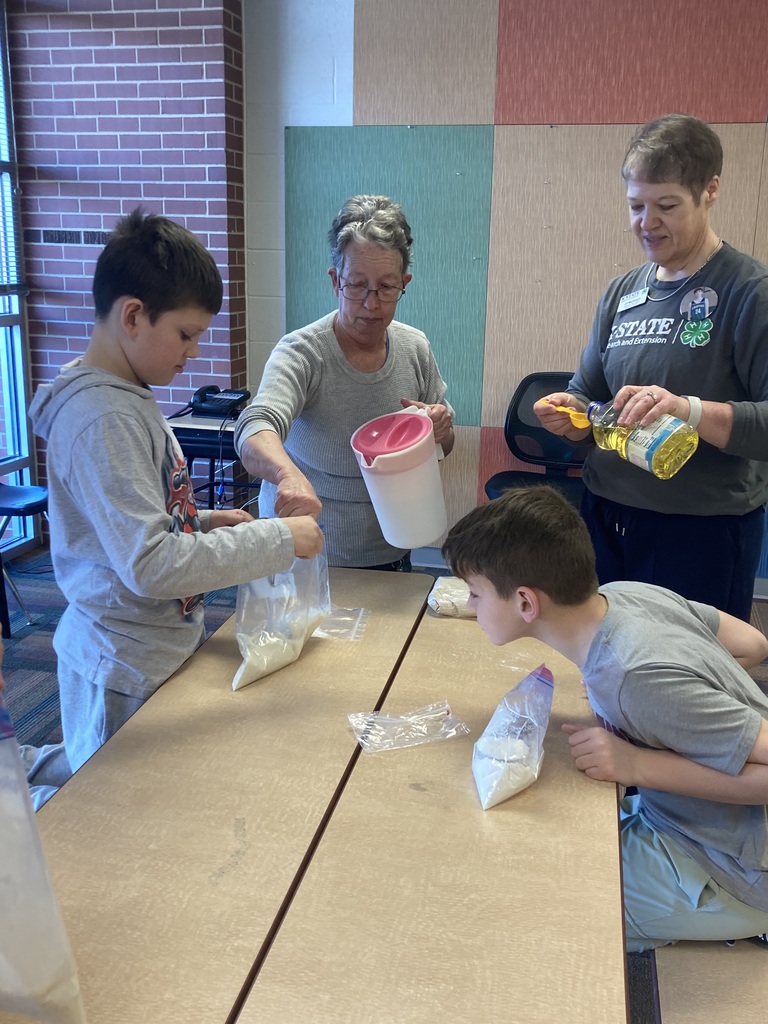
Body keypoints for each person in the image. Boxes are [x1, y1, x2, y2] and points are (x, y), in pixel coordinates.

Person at [22, 209, 324, 808]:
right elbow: (150, 564)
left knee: (105, 772)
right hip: (121, 661)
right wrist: (279, 541)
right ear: (133, 316)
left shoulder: (126, 397)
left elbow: (134, 521)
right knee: (104, 810)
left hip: (146, 646)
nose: (192, 352)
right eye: (186, 334)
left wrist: (202, 521)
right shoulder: (104, 417)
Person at [442, 485, 768, 952]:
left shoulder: (633, 674)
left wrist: (638, 760)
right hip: (687, 821)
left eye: (475, 594)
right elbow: (754, 644)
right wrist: (659, 708)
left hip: (738, 869)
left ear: (526, 603)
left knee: (535, 910)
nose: (471, 606)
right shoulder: (623, 596)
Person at [534, 114, 768, 621]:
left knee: (685, 676)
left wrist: (688, 410)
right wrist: (568, 414)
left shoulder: (748, 291)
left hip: (700, 529)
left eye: (666, 206)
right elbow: (587, 395)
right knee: (610, 662)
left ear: (710, 191)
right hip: (607, 515)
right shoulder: (622, 293)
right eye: (636, 206)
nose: (647, 222)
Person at [234, 194, 455, 571]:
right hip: (304, 558)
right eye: (357, 285)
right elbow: (254, 427)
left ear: (405, 283)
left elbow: (444, 446)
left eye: (387, 288)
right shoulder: (302, 352)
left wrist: (438, 428)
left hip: (390, 550)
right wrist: (287, 475)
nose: (372, 304)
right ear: (335, 280)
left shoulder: (415, 347)